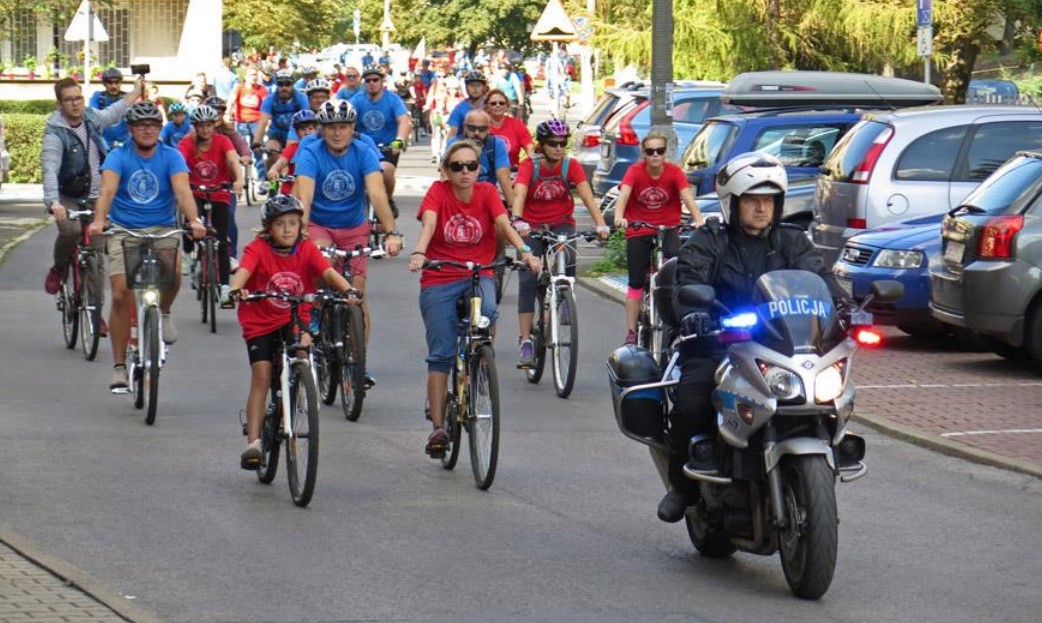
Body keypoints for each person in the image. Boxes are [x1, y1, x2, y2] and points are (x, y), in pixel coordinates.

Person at [660, 152, 850, 523]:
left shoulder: (793, 241)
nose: (762, 208)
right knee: (693, 399)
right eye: (752, 200)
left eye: (769, 200)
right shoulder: (709, 240)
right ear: (733, 202)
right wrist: (694, 313)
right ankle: (680, 487)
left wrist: (847, 306)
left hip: (782, 344)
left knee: (828, 392)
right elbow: (689, 281)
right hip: (721, 340)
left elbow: (819, 279)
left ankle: (832, 454)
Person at [408, 140, 540, 457]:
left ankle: (477, 361)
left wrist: (525, 251)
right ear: (445, 170)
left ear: (479, 169)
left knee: (487, 315)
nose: (464, 172)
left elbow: (503, 224)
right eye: (457, 166)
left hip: (479, 273)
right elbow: (429, 223)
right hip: (441, 275)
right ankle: (438, 427)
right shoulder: (438, 193)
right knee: (440, 353)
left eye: (471, 166)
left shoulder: (487, 193)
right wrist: (420, 252)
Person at [88, 102, 206, 392]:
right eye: (141, 125)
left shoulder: (171, 155)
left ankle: (163, 312)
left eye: (153, 124)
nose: (148, 130)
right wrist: (100, 220)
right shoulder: (118, 155)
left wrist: (194, 220)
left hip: (162, 228)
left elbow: (182, 190)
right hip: (124, 229)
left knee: (175, 274)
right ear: (130, 129)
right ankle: (118, 366)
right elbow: (108, 190)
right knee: (120, 293)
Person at [227, 195, 353, 468]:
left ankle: (296, 395)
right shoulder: (258, 248)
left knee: (301, 353)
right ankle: (254, 442)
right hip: (259, 322)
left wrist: (348, 290)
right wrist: (236, 290)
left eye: (293, 223)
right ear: (268, 228)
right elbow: (244, 271)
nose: (287, 229)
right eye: (280, 224)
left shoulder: (307, 248)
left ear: (301, 226)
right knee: (262, 374)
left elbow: (328, 273)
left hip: (295, 318)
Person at [294, 99, 402, 384]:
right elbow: (303, 196)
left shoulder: (363, 152)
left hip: (354, 227)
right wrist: (300, 230)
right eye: (331, 127)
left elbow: (378, 195)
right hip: (320, 225)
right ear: (322, 129)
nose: (337, 133)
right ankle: (316, 312)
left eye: (343, 127)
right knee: (322, 261)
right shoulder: (310, 152)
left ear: (353, 128)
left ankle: (358, 359)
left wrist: (391, 232)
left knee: (356, 296)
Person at [42, 75, 144, 329]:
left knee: (97, 253)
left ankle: (95, 309)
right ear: (59, 104)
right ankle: (59, 268)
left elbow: (115, 112)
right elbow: (50, 169)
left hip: (96, 195)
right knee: (71, 229)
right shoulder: (55, 133)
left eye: (78, 98)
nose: (75, 104)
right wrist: (53, 202)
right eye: (69, 100)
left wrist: (136, 92)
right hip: (68, 195)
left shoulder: (90, 118)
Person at [511, 119, 610, 368]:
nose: (558, 148)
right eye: (553, 144)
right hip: (531, 226)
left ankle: (563, 298)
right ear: (541, 146)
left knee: (570, 257)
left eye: (562, 143)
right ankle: (525, 340)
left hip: (561, 223)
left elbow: (587, 195)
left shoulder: (571, 165)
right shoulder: (528, 166)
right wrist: (517, 219)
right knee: (528, 278)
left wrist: (600, 224)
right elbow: (520, 193)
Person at [613, 130, 705, 345]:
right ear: (643, 153)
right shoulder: (635, 171)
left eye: (660, 151)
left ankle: (675, 320)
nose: (655, 155)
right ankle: (631, 332)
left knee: (673, 271)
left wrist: (698, 219)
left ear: (666, 153)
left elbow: (686, 197)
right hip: (639, 228)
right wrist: (619, 217)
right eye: (650, 151)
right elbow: (624, 195)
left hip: (667, 227)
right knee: (635, 281)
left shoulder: (674, 172)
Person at [177, 104, 243, 302]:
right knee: (190, 219)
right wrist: (179, 181)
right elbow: (179, 162)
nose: (205, 130)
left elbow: (232, 161)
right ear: (194, 127)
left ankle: (224, 287)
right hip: (195, 192)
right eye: (200, 126)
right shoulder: (188, 143)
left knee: (221, 240)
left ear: (214, 125)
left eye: (208, 125)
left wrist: (239, 179)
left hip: (219, 193)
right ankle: (190, 252)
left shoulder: (223, 141)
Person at [349, 65, 411, 216]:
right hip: (363, 148)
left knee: (387, 172)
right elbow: (347, 121)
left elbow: (404, 121)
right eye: (368, 80)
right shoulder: (357, 100)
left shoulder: (393, 100)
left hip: (387, 148)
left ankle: (388, 200)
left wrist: (399, 140)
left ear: (382, 81)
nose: (372, 83)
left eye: (375, 80)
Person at [252, 69, 309, 191]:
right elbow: (262, 122)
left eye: (287, 84)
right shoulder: (270, 99)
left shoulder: (301, 98)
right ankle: (272, 185)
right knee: (271, 150)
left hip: (296, 133)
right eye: (280, 84)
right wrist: (257, 141)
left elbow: (306, 119)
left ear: (293, 85)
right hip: (277, 133)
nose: (284, 88)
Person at [445, 109, 513, 207]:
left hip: (486, 199)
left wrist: (514, 212)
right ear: (465, 127)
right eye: (472, 128)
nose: (476, 133)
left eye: (482, 129)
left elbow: (504, 178)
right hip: (458, 199)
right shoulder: (453, 144)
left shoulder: (497, 145)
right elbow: (446, 176)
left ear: (489, 129)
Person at [226, 65, 269, 183]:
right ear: (245, 76)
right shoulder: (239, 88)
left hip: (256, 122)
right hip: (241, 122)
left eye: (255, 75)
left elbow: (266, 105)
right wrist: (228, 114)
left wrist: (267, 120)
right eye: (251, 75)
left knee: (258, 149)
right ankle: (240, 177)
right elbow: (231, 101)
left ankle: (261, 180)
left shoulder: (262, 89)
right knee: (241, 148)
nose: (253, 77)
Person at [267, 110, 318, 195]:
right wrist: (274, 170)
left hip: (315, 192)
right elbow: (281, 162)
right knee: (273, 196)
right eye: (302, 129)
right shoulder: (293, 148)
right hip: (290, 193)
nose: (307, 132)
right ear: (297, 133)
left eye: (310, 128)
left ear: (316, 130)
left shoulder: (322, 148)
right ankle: (271, 195)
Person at [484, 88, 533, 170]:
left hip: (512, 172)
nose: (498, 105)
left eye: (502, 103)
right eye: (493, 103)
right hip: (486, 174)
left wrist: (527, 167)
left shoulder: (517, 125)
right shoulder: (481, 125)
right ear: (487, 107)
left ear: (507, 106)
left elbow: (530, 150)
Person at [89, 67, 130, 148]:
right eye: (109, 82)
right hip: (104, 144)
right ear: (104, 83)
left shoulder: (127, 98)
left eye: (117, 82)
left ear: (121, 82)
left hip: (125, 144)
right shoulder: (98, 96)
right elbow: (92, 116)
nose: (113, 86)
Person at [446, 71, 487, 137]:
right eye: (472, 85)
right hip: (465, 143)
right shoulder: (459, 108)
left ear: (484, 88)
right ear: (466, 88)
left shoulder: (490, 105)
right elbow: (453, 133)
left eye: (478, 85)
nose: (475, 89)